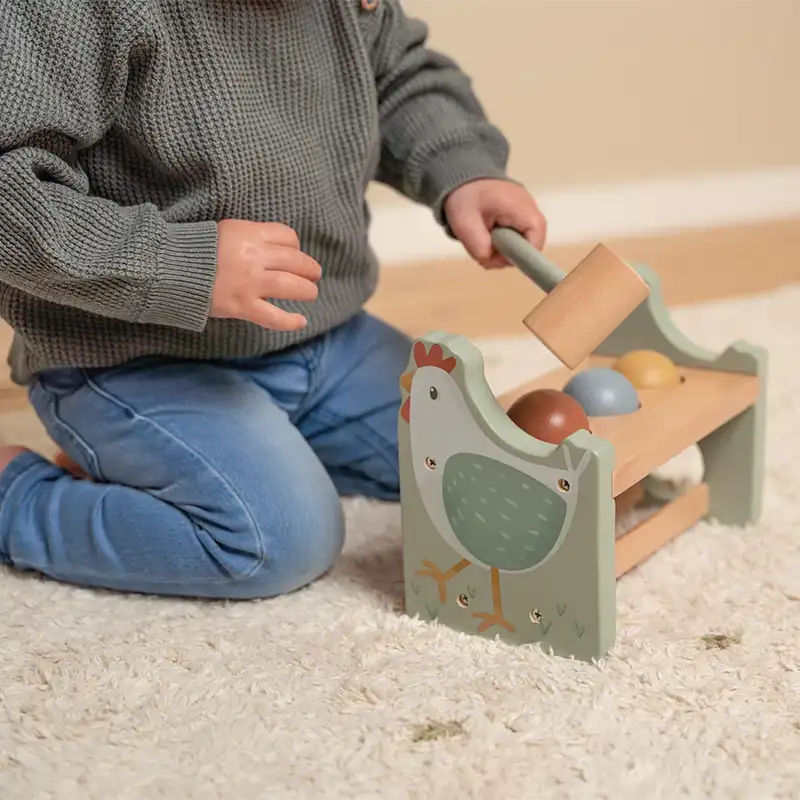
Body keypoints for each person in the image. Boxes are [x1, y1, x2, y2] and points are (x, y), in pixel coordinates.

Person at [0, 0, 546, 599]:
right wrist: (181, 263)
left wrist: (464, 168)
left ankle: (157, 468)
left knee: (489, 463)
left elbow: (396, 77)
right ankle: (16, 495)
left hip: (324, 338)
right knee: (274, 540)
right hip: (131, 358)